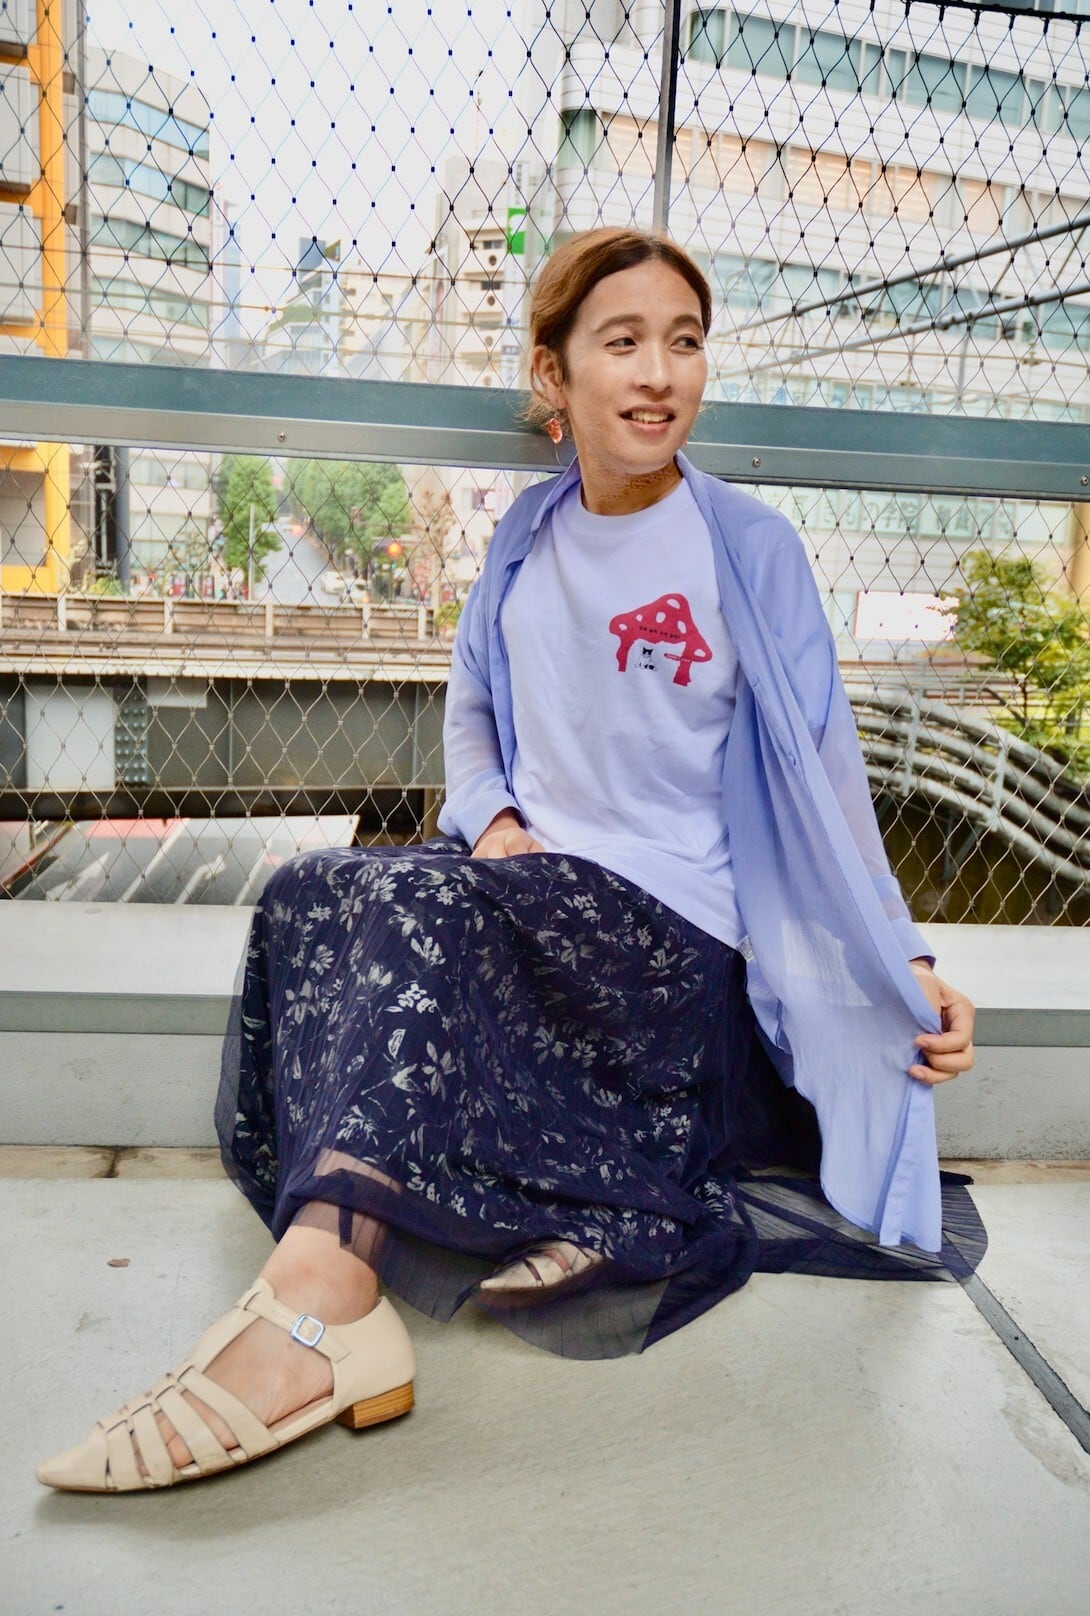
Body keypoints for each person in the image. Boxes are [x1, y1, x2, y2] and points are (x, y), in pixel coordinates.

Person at [38, 228, 976, 1494]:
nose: (660, 374)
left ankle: (322, 1298)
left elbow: (826, 775)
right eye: (622, 342)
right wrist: (489, 820)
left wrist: (899, 952)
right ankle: (499, 1214)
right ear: (554, 374)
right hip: (534, 893)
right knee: (313, 887)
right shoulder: (528, 534)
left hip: (671, 937)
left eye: (685, 343)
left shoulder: (748, 549)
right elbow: (471, 709)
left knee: (424, 909)